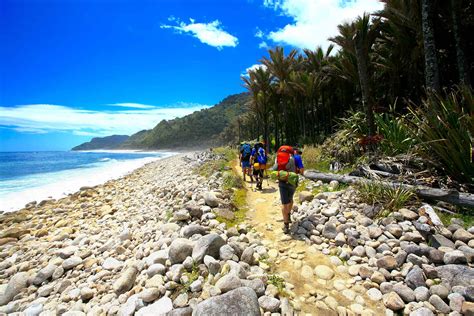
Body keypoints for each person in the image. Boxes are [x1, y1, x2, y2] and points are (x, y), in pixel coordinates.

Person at [272, 145, 304, 234]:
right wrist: (296, 171)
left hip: (282, 182)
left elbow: (274, 169)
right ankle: (289, 214)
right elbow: (301, 171)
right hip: (292, 182)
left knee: (284, 203)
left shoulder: (277, 158)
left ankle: (286, 225)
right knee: (290, 199)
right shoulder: (295, 158)